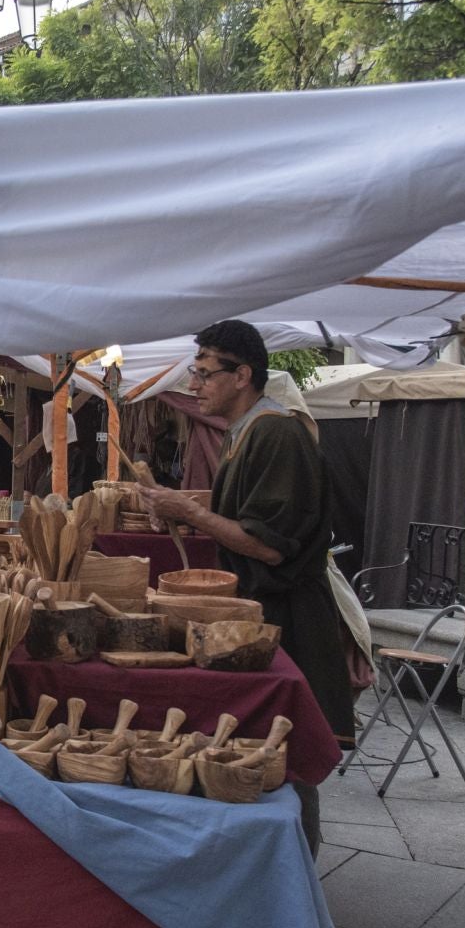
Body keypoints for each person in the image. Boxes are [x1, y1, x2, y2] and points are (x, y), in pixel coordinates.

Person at [138, 320, 356, 854]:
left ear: (242, 375)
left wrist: (187, 509)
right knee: (269, 751)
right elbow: (243, 506)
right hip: (265, 616)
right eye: (195, 371)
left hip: (288, 620)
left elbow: (270, 544)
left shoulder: (277, 433)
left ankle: (295, 869)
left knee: (283, 754)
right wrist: (182, 501)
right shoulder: (246, 433)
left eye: (204, 373)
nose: (194, 384)